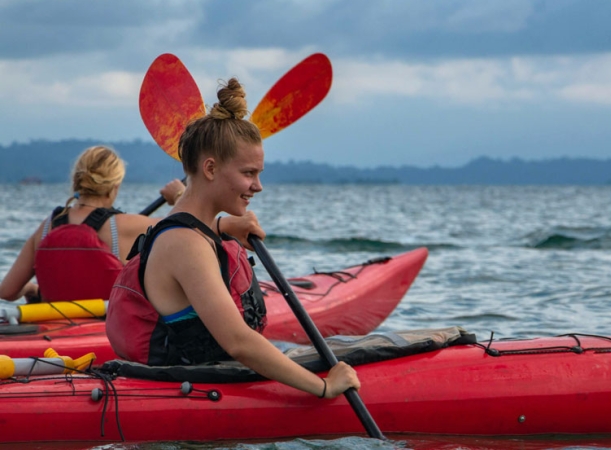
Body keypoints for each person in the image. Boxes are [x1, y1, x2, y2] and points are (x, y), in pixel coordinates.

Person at [106, 78, 360, 399]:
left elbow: (192, 224)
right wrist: (323, 387)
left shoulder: (191, 231)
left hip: (203, 375)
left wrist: (225, 226)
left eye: (259, 174)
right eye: (249, 173)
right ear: (210, 168)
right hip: (188, 393)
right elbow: (238, 342)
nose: (258, 186)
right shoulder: (186, 245)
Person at [0, 145, 253, 303]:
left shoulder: (47, 227)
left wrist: (32, 289)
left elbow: (8, 291)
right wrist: (179, 196)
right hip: (101, 330)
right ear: (115, 186)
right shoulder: (124, 226)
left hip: (52, 330)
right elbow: (189, 227)